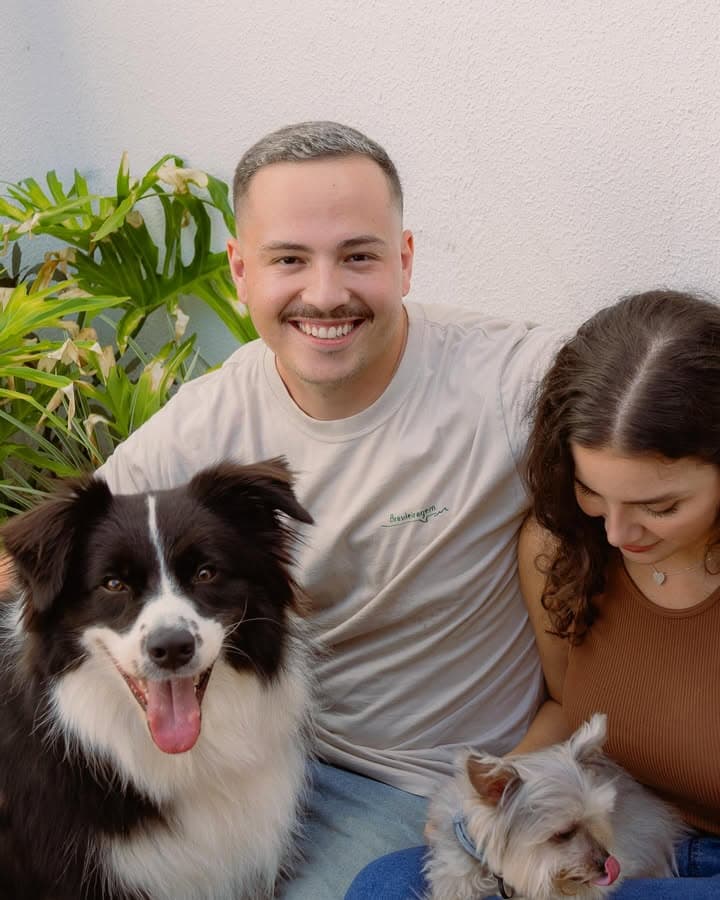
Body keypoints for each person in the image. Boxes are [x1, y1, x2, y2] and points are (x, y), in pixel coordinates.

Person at [91, 120, 562, 897]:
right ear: (241, 272)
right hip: (245, 751)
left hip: (406, 787)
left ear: (403, 262)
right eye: (288, 260)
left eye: (358, 255)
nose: (325, 293)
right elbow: (44, 557)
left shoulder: (511, 384)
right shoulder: (210, 416)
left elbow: (662, 389)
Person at [346, 289, 720, 899]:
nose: (619, 533)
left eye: (661, 506)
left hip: (677, 862)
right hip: (610, 833)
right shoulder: (560, 552)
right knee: (383, 887)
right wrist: (486, 801)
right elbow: (564, 704)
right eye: (593, 491)